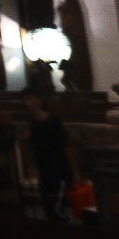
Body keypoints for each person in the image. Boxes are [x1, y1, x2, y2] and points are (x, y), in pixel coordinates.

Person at [24, 92, 74, 222]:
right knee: (48, 208)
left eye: (30, 98)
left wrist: (75, 171)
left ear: (39, 100)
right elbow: (31, 146)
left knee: (60, 209)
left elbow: (66, 146)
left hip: (59, 170)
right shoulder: (33, 123)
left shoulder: (53, 121)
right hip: (44, 171)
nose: (27, 102)